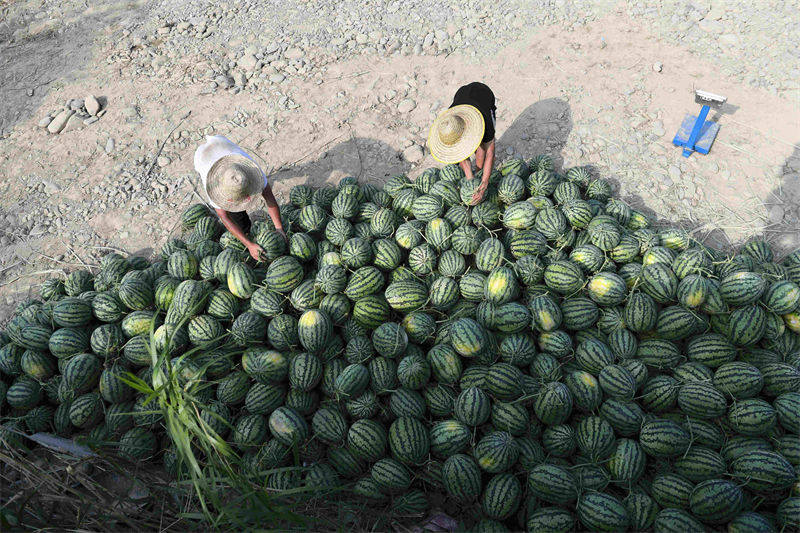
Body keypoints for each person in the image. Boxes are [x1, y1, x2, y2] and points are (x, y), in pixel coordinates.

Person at [194, 135, 285, 261]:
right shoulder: (213, 189)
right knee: (237, 216)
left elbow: (270, 199)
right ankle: (245, 230)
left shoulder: (250, 172)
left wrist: (279, 228)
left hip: (222, 144)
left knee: (241, 199)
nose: (246, 200)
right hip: (204, 157)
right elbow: (224, 217)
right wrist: (249, 244)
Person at [427, 82, 496, 205]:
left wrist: (484, 183)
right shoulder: (449, 123)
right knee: (463, 158)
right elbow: (461, 154)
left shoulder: (485, 122)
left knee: (483, 147)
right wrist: (470, 180)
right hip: (462, 94)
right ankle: (474, 174)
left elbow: (490, 153)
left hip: (483, 95)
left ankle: (479, 170)